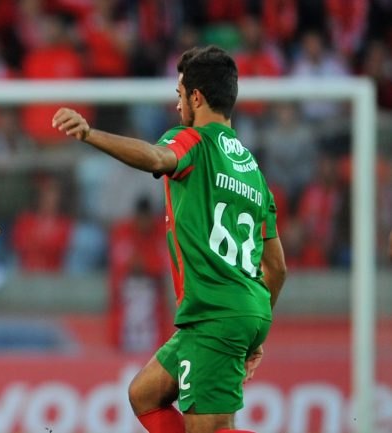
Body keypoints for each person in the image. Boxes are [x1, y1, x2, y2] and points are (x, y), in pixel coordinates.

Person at [52, 45, 287, 433]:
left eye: (180, 96)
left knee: (210, 429)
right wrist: (254, 326)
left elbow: (157, 158)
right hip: (243, 310)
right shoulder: (253, 171)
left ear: (196, 97)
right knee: (145, 394)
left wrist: (91, 134)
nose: (177, 106)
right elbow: (277, 266)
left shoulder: (194, 142)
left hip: (215, 313)